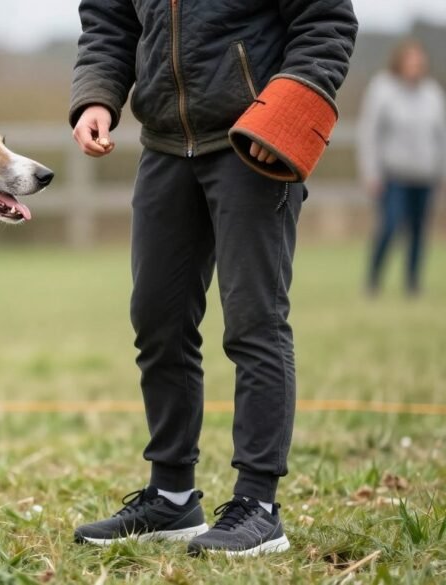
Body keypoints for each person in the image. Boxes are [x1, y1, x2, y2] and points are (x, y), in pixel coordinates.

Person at [68, 0, 357, 556]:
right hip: (164, 147)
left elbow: (326, 22)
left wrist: (287, 106)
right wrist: (97, 96)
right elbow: (109, 19)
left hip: (253, 142)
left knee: (254, 323)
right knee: (158, 322)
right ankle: (172, 497)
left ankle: (259, 507)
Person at [360, 40, 444, 297]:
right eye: (411, 60)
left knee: (419, 232)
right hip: (393, 175)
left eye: (419, 60)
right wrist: (371, 173)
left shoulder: (432, 93)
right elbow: (369, 134)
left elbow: (441, 137)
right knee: (390, 226)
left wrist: (441, 172)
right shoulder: (382, 88)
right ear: (399, 61)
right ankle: (373, 280)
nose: (415, 65)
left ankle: (412, 284)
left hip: (425, 175)